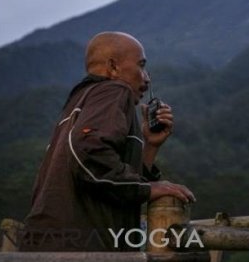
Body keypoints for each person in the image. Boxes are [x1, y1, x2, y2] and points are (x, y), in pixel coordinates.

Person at [21, 31, 195, 251]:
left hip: (47, 244)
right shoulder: (114, 89)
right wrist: (148, 189)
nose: (147, 78)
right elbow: (88, 151)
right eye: (141, 66)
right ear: (113, 67)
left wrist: (150, 146)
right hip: (79, 249)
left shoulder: (79, 102)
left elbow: (97, 172)